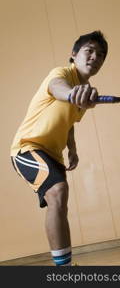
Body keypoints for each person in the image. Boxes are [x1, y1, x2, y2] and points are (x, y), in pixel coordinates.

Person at [10, 30, 108, 266]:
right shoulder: (61, 73)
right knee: (57, 192)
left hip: (53, 155)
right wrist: (73, 94)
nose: (95, 57)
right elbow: (58, 89)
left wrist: (72, 147)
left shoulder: (86, 94)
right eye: (89, 51)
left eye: (101, 55)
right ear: (73, 55)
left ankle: (65, 266)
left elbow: (70, 120)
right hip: (27, 148)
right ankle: (63, 271)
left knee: (60, 204)